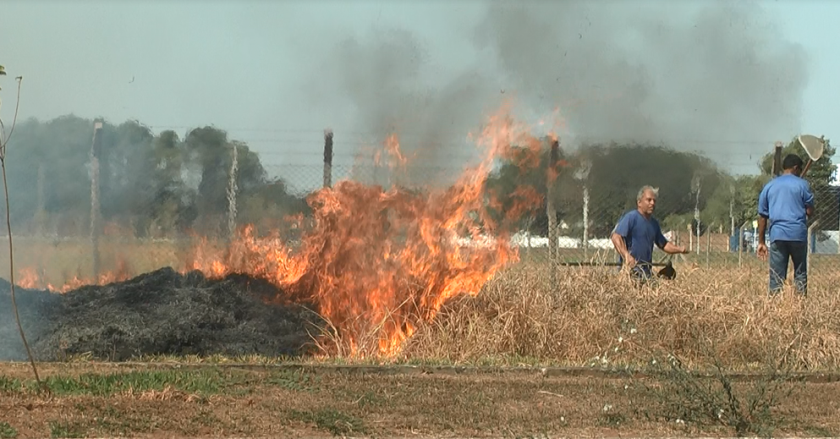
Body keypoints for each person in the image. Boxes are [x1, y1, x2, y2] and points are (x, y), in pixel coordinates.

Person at [757, 153, 815, 295]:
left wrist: (761, 242)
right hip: (798, 235)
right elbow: (809, 211)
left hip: (778, 235)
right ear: (796, 168)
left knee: (776, 276)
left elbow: (763, 216)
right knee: (800, 273)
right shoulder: (802, 185)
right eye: (800, 170)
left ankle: (774, 307)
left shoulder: (770, 186)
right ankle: (800, 304)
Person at [611, 185, 688, 281]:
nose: (652, 203)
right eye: (649, 200)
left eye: (654, 201)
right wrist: (627, 255)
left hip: (646, 274)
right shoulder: (631, 218)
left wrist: (679, 249)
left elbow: (663, 245)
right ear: (639, 202)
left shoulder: (654, 224)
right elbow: (616, 237)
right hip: (629, 272)